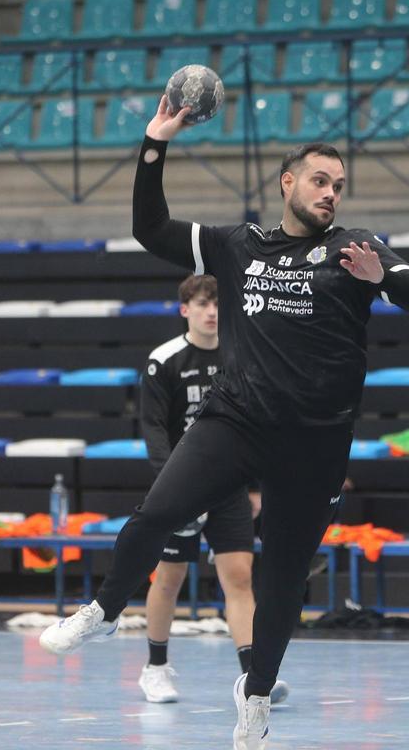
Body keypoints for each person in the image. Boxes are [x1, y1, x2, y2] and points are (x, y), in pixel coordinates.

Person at [40, 97, 409, 749]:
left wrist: (383, 279)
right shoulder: (237, 245)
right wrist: (155, 141)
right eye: (319, 181)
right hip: (236, 420)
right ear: (288, 183)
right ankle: (106, 611)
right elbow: (151, 228)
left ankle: (254, 702)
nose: (330, 194)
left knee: (279, 579)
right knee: (153, 514)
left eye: (339, 186)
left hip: (313, 445)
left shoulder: (355, 248)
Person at [136, 273, 287, 705]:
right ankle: (156, 668)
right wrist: (173, 491)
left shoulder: (241, 355)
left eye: (218, 304)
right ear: (185, 310)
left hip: (230, 485)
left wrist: (256, 485)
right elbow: (152, 428)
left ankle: (255, 679)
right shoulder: (163, 360)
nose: (212, 311)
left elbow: (258, 424)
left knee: (240, 578)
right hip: (179, 486)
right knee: (169, 578)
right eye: (202, 304)